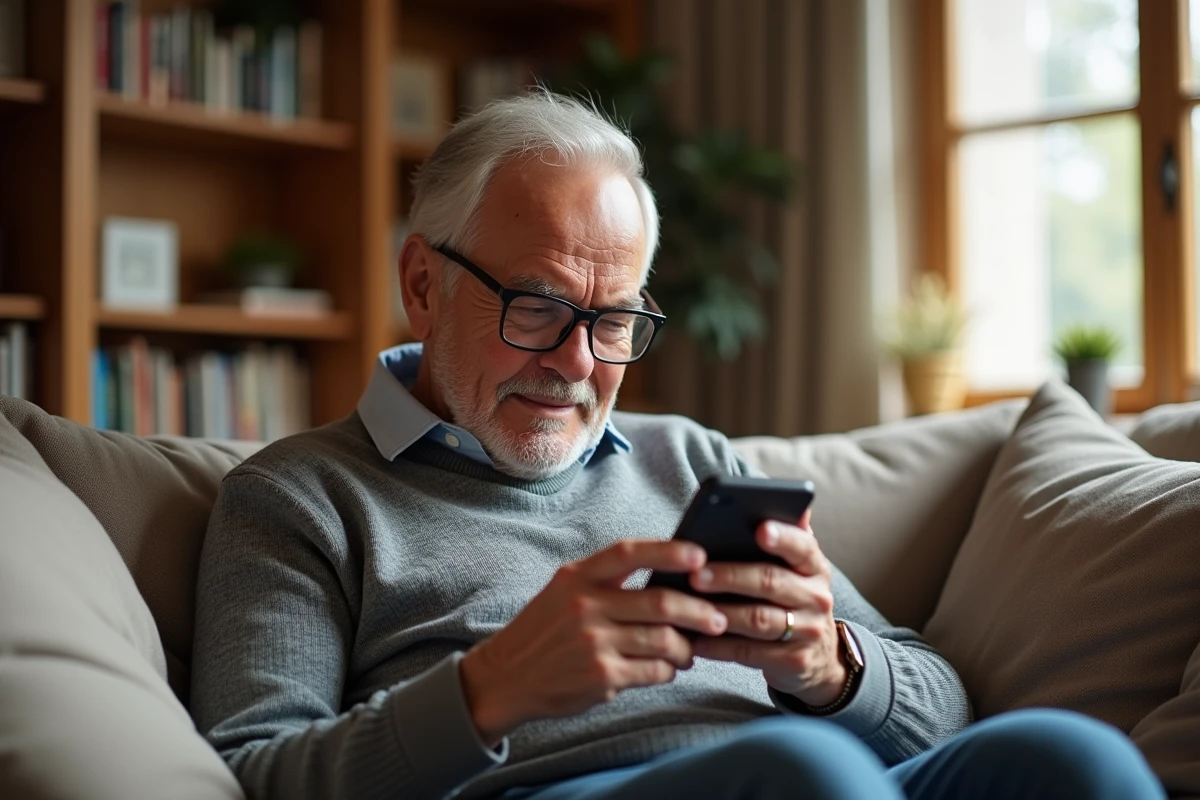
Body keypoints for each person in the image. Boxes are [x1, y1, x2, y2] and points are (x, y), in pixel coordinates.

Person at [190, 91, 1165, 800]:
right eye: (537, 306)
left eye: (613, 320)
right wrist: (485, 691)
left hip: (818, 772)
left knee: (1074, 756)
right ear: (423, 283)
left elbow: (944, 703)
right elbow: (250, 774)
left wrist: (828, 664)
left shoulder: (695, 459)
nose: (576, 361)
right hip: (577, 788)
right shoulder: (298, 497)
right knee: (805, 773)